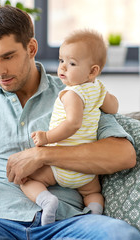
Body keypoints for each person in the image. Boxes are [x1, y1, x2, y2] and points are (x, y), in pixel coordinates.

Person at [0, 5, 140, 240]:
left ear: (31, 48)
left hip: (66, 224)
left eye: (8, 57)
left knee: (121, 235)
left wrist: (42, 156)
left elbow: (124, 155)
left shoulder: (76, 93)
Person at [22, 29, 118, 226]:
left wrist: (47, 137)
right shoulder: (98, 88)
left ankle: (46, 200)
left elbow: (73, 123)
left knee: (25, 177)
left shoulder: (72, 93)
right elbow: (114, 107)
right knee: (92, 192)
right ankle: (94, 211)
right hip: (86, 170)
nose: (63, 68)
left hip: (62, 166)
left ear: (93, 70)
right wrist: (103, 96)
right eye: (61, 61)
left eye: (72, 63)